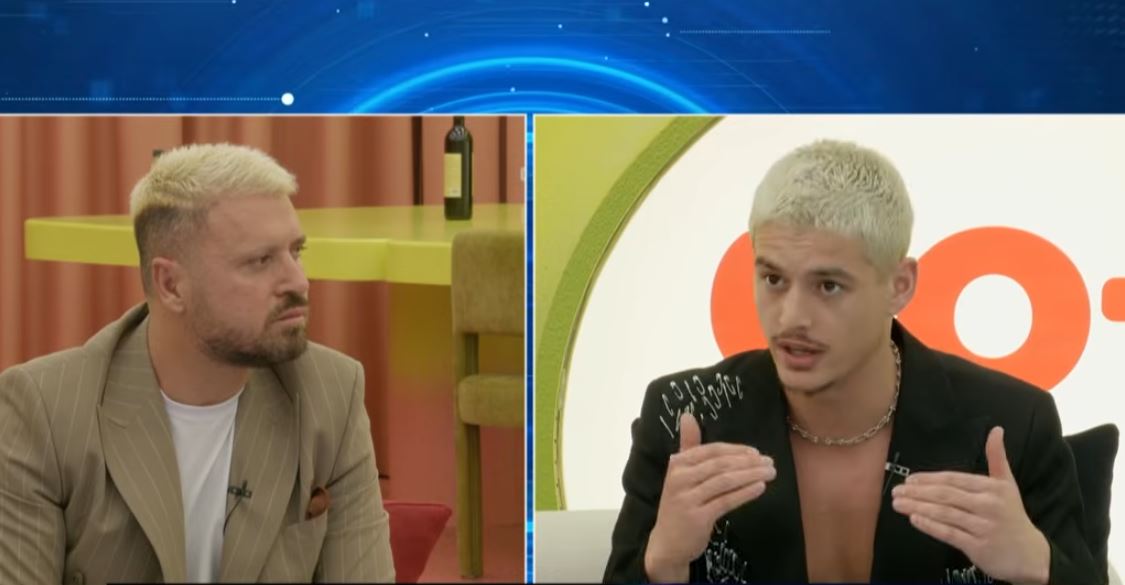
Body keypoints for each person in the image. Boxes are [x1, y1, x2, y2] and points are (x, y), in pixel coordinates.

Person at [604, 140, 1098, 584]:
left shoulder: (1012, 424)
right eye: (773, 279)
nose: (791, 318)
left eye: (828, 286)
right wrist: (663, 563)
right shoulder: (685, 415)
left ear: (899, 286)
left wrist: (1040, 567)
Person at [0, 143, 395, 584]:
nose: (298, 281)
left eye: (296, 252)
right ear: (171, 285)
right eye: (260, 261)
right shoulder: (44, 411)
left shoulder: (331, 393)